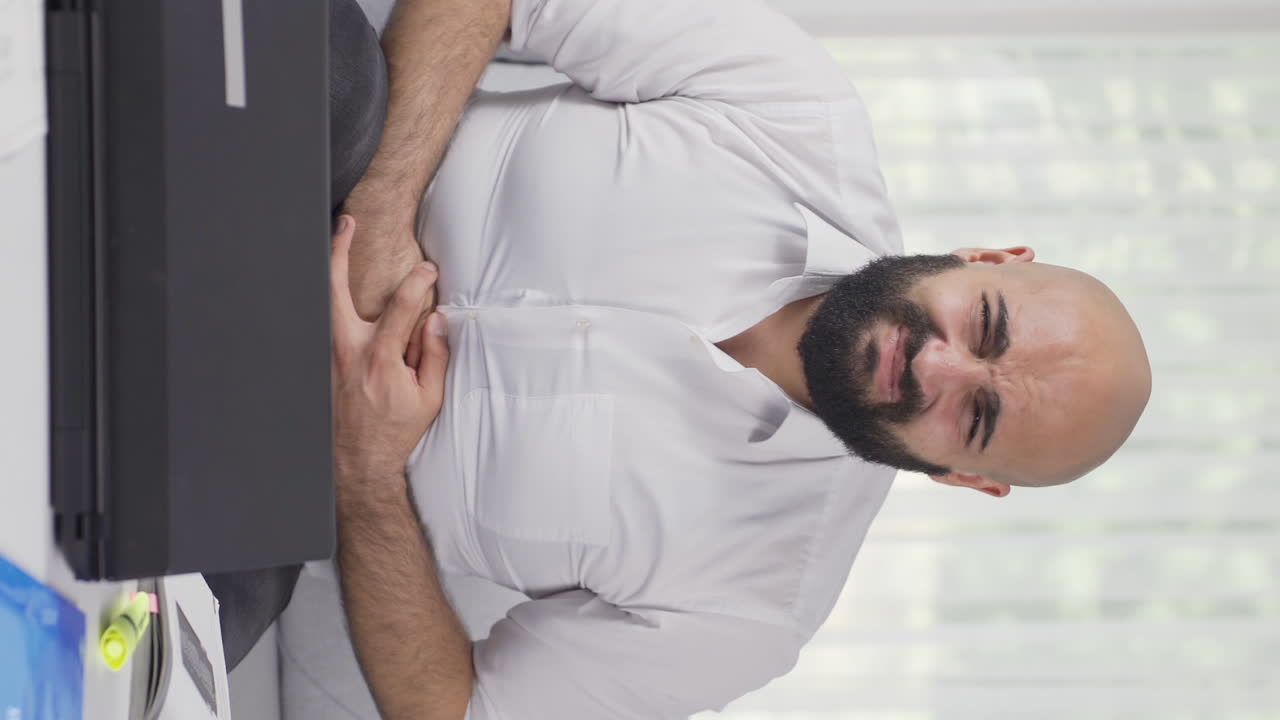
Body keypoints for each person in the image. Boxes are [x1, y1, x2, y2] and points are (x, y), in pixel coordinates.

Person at [284, 0, 1154, 717]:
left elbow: (455, 712)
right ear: (990, 261)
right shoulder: (797, 107)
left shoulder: (751, 611)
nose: (938, 367)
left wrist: (364, 478)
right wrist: (385, 207)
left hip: (265, 461)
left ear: (967, 479)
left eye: (977, 413)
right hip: (304, 155)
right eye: (987, 325)